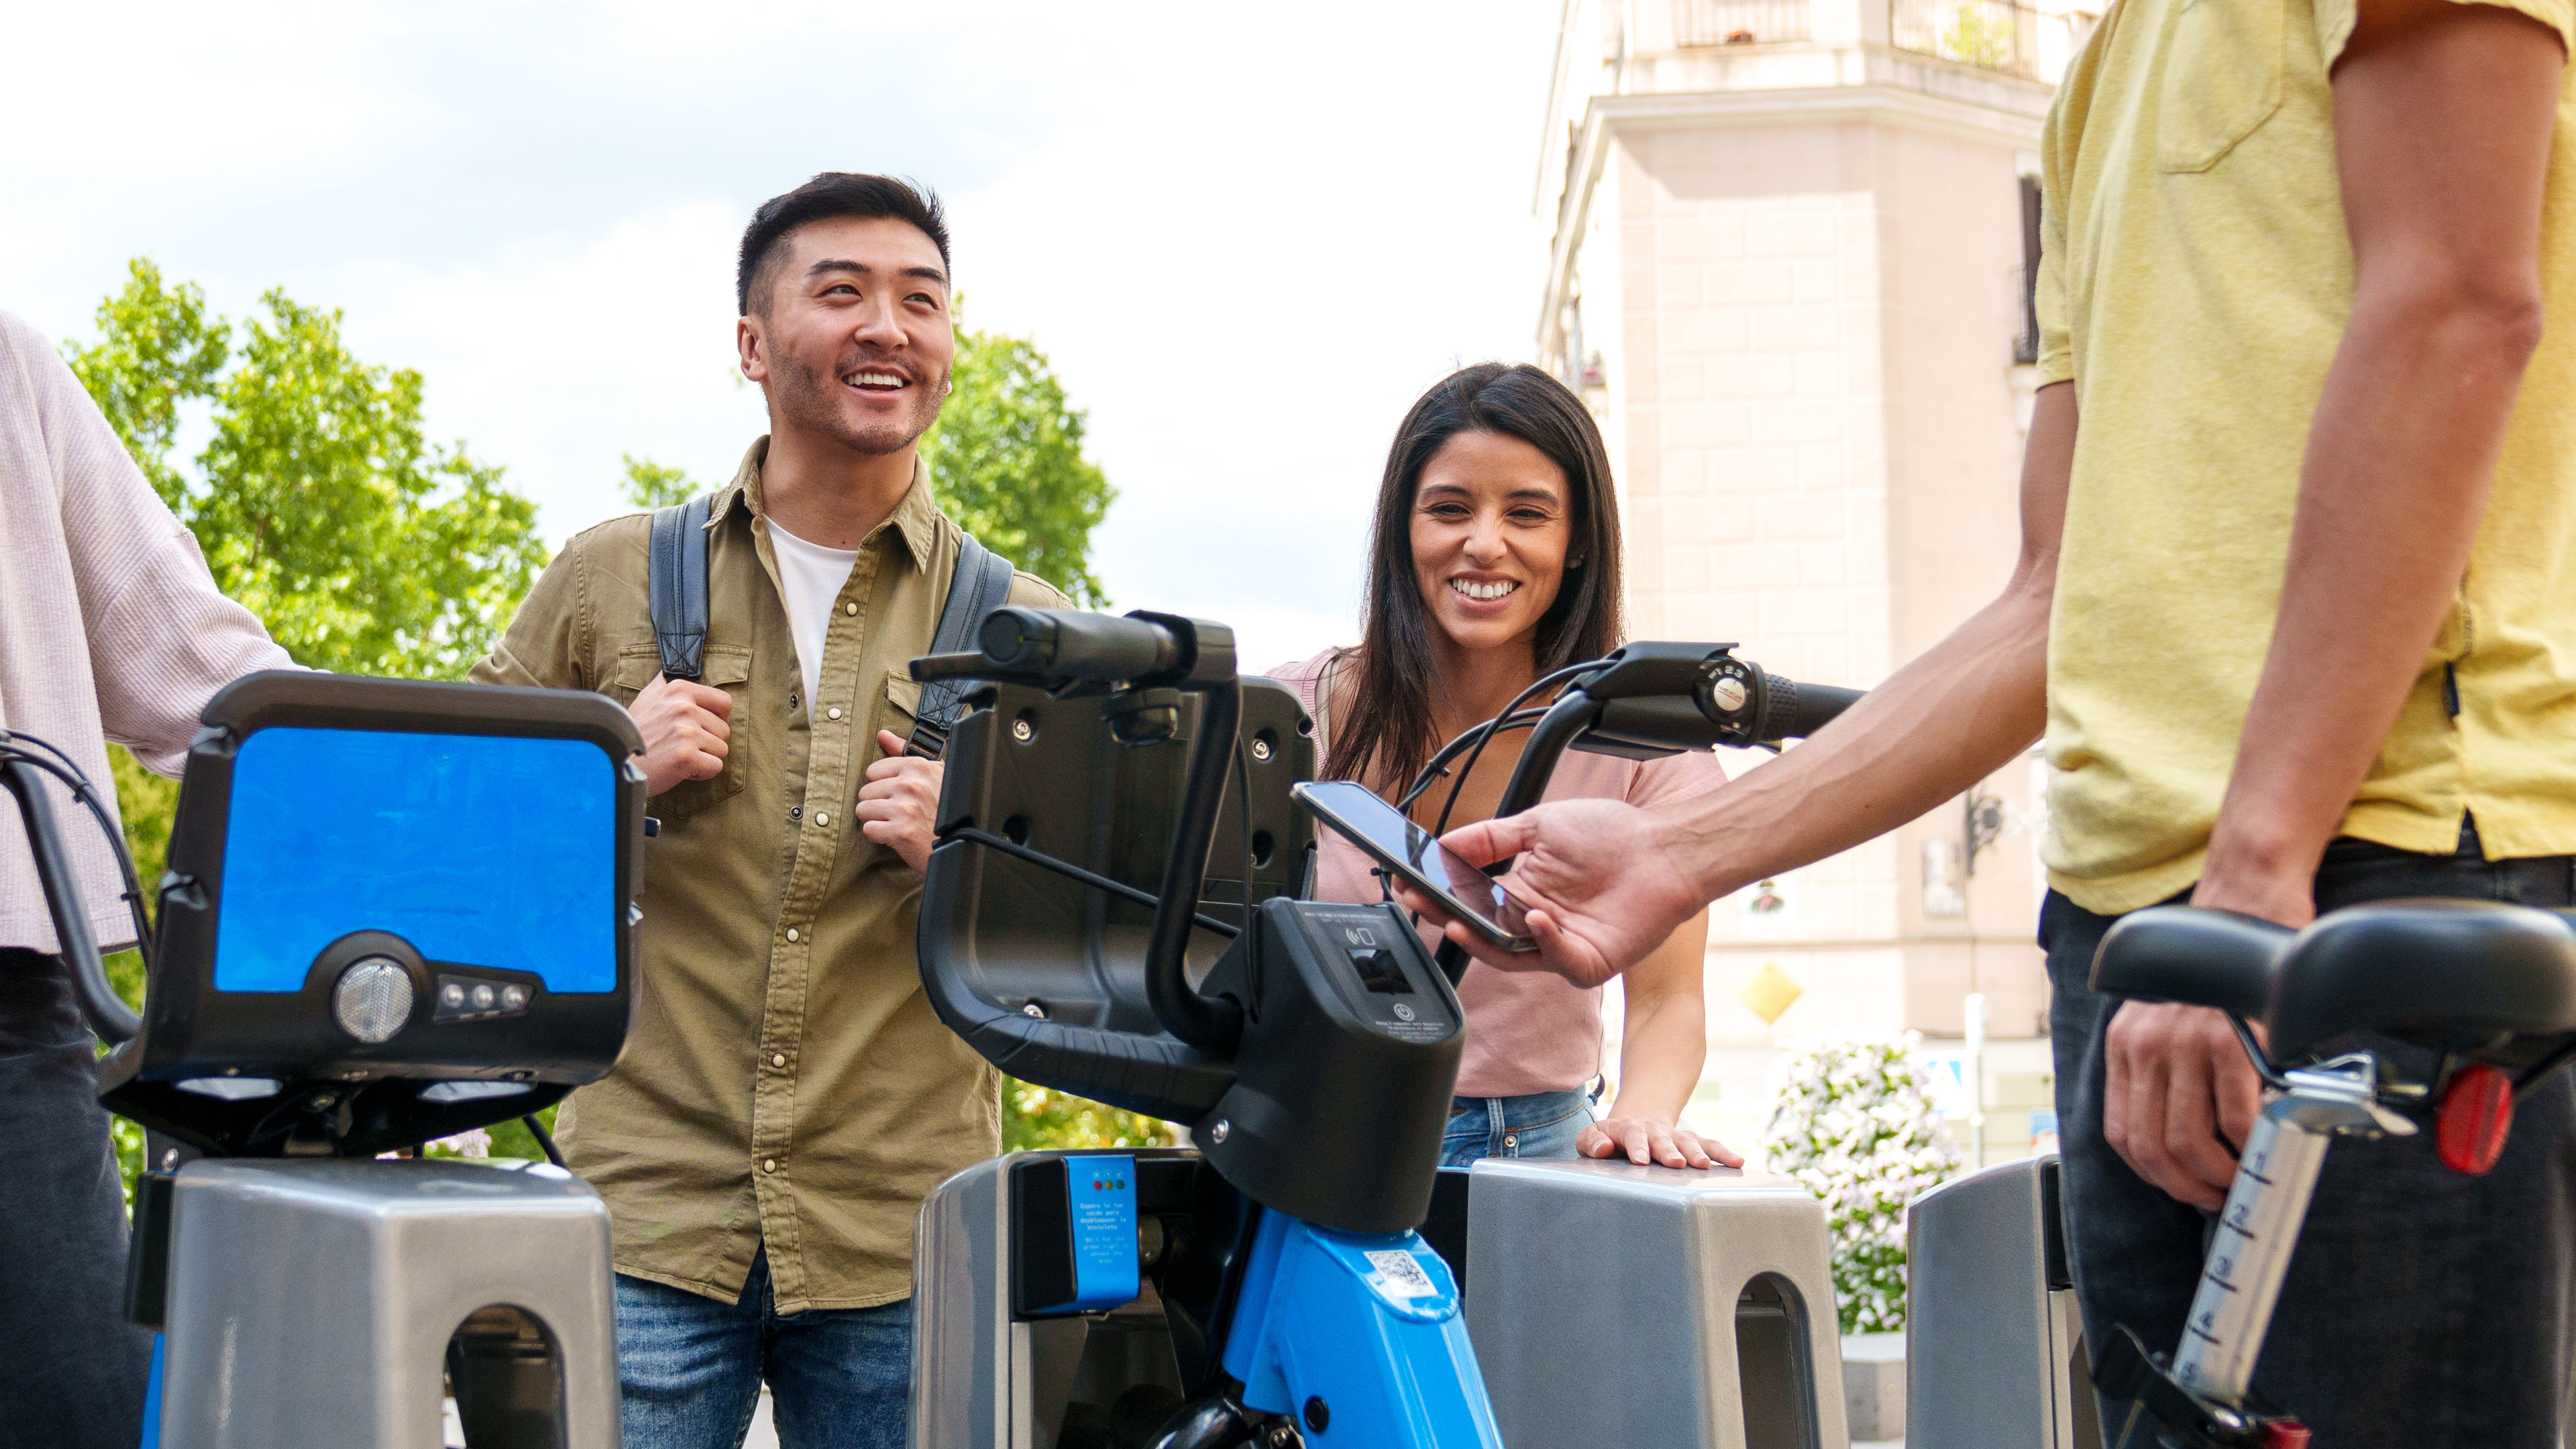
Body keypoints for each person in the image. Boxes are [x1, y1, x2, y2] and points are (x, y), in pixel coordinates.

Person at [1406, 1, 2576, 1440]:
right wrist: (1683, 851)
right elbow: (2049, 600)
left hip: (2353, 887)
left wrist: (2254, 875)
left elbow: (2459, 309)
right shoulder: (2098, 77)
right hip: (2132, 931)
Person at [470, 172, 1069, 1449]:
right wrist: (606, 768)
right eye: (840, 292)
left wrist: (983, 853)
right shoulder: (606, 575)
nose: (887, 328)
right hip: (646, 1216)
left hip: (904, 1239)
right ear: (751, 343)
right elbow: (458, 847)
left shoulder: (1034, 632)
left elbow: (1085, 947)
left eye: (923, 301)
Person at [1267, 363, 1734, 1171]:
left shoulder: (1647, 743)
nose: (1485, 543)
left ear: (1578, 539)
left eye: (1528, 513)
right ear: (1401, 529)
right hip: (1321, 1138)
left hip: (1545, 1149)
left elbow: (1667, 997)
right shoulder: (1285, 717)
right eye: (1449, 510)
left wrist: (1643, 1114)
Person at [0, 309, 294, 1449]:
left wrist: (419, 794)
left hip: (10, 1008)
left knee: (79, 1408)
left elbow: (208, 675)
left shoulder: (8, 369)